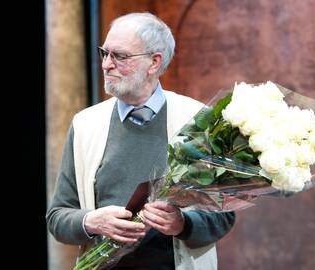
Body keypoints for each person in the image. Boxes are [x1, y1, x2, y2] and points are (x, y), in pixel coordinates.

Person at [46, 12, 235, 269]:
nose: (106, 64)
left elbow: (223, 216)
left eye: (120, 56)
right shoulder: (85, 124)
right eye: (105, 53)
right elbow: (57, 217)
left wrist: (183, 223)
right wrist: (90, 221)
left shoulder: (197, 119)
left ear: (154, 62)